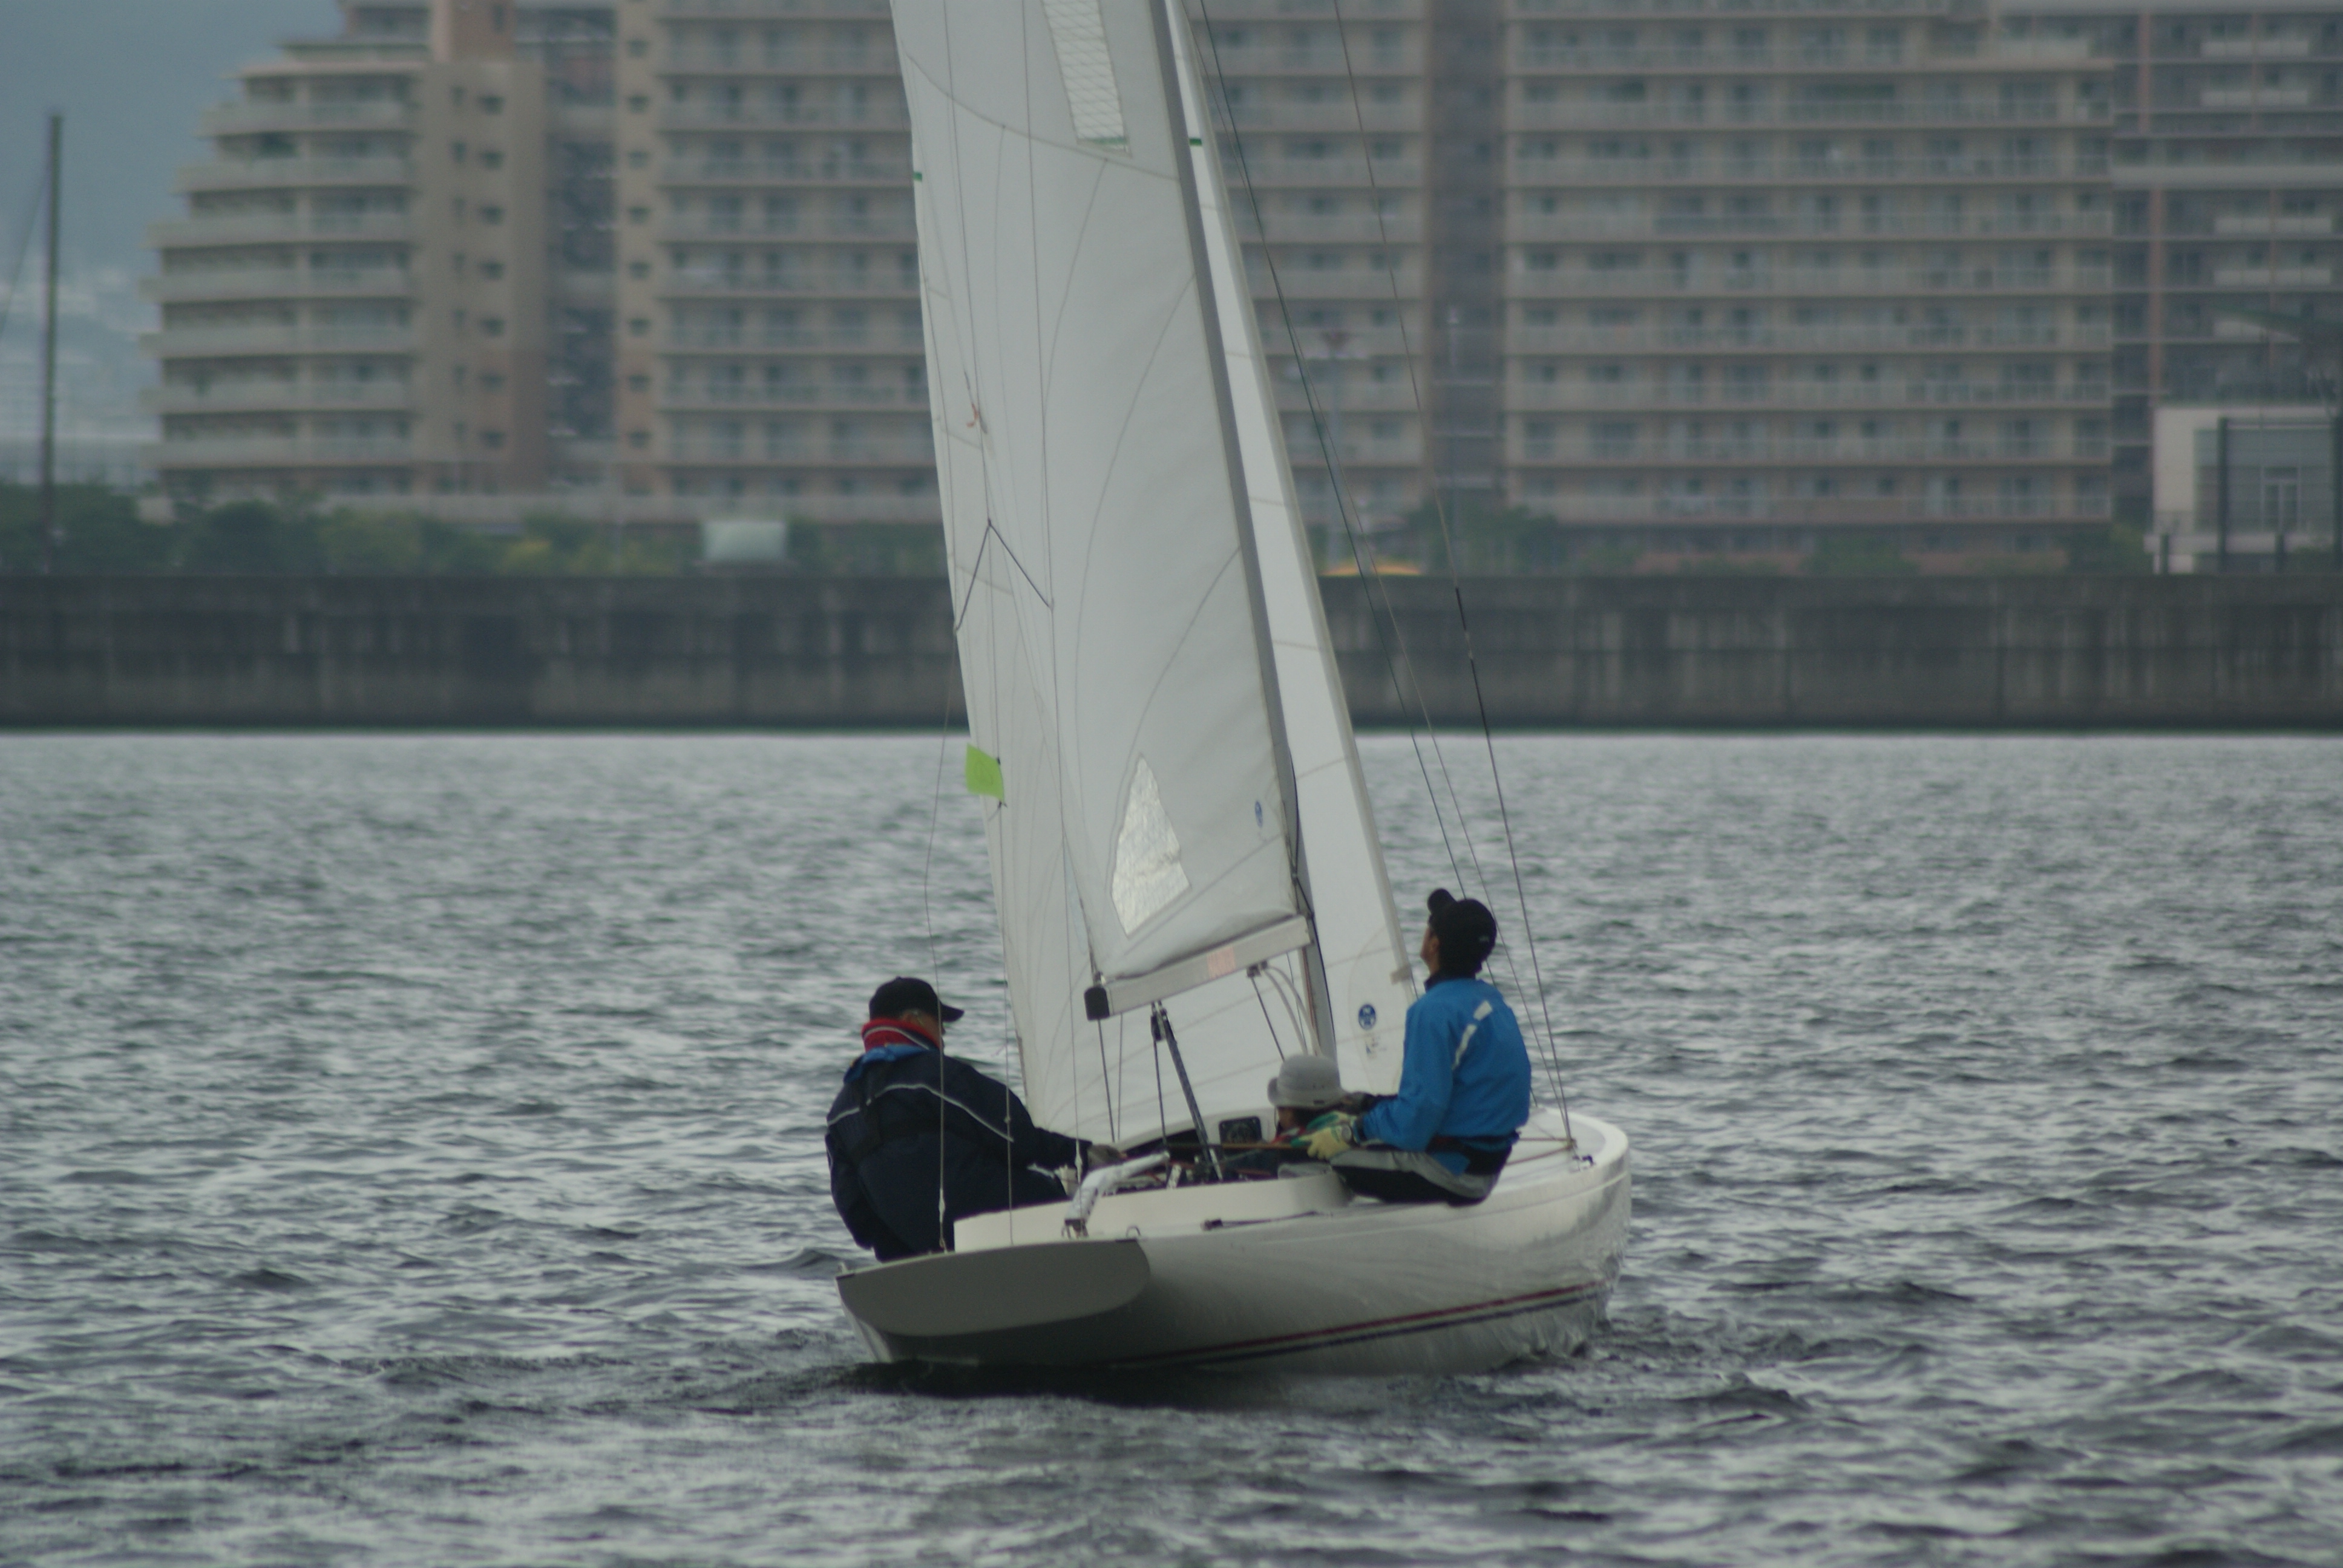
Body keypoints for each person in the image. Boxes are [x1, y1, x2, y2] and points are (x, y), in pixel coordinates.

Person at [825, 976, 1115, 1261]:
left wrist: (904, 1254)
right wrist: (1081, 1155)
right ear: (912, 1020)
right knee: (1082, 1198)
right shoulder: (936, 1075)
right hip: (1003, 1225)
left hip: (916, 1256)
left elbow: (856, 1215)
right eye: (939, 1022)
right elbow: (1014, 1136)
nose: (943, 1033)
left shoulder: (841, 1111)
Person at [1300, 889, 1532, 1204]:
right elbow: (1443, 1099)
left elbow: (1417, 1122)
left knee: (1313, 1156)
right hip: (1483, 1164)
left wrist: (1352, 1132)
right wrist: (1365, 1107)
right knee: (1365, 1112)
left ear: (1434, 944)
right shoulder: (1490, 1000)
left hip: (1451, 1174)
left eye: (1429, 928)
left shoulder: (1432, 1012)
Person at [1225, 1055, 1351, 1177]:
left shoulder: (1288, 1150)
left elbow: (1240, 1164)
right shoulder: (1352, 1128)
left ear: (1289, 1113)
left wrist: (1228, 1164)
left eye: (1280, 1108)